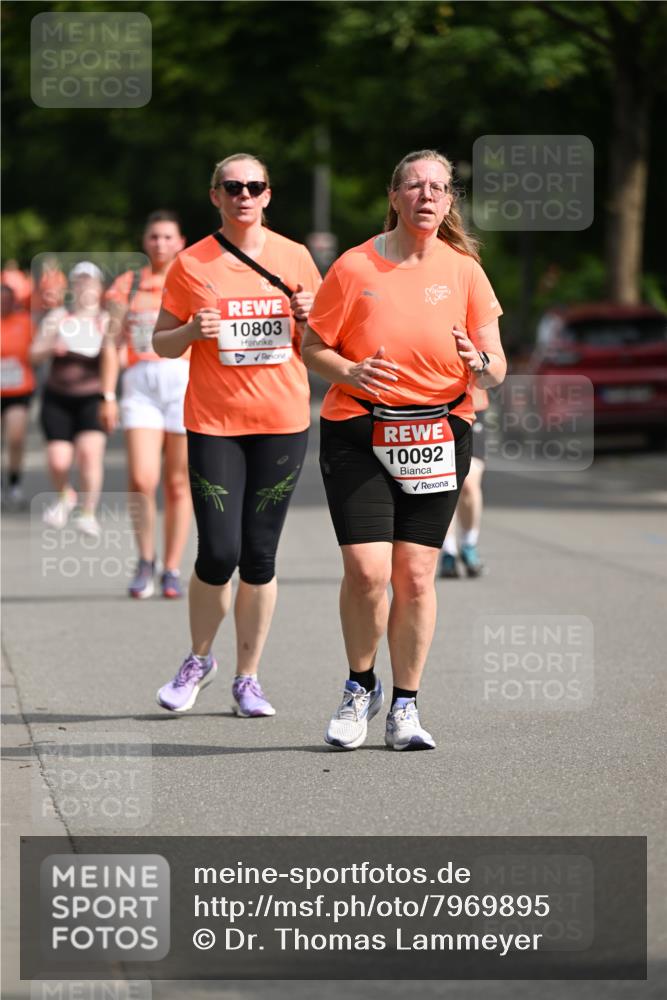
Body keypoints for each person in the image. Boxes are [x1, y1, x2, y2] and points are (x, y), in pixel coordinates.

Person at [302, 149, 507, 751]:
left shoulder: (465, 269)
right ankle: (359, 688)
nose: (426, 195)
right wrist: (350, 371)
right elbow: (314, 347)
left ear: (448, 203)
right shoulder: (354, 266)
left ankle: (406, 707)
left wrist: (481, 365)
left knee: (415, 575)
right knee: (368, 572)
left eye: (438, 188)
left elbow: (495, 367)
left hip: (439, 434)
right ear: (393, 197)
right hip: (360, 429)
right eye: (414, 186)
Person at [152, 153, 321, 717]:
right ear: (215, 196)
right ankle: (199, 660)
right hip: (214, 423)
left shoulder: (295, 257)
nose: (244, 194)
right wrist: (189, 330)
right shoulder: (190, 263)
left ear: (268, 195)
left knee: (259, 555)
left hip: (281, 423)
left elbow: (324, 342)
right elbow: (160, 343)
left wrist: (307, 316)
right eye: (233, 186)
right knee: (219, 551)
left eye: (255, 186)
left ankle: (248, 677)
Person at [100, 211, 191, 599]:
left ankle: (171, 567)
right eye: (153, 237)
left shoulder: (190, 281)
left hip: (183, 381)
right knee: (141, 478)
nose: (160, 244)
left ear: (181, 242)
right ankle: (145, 560)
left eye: (167, 237)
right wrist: (107, 395)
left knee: (177, 481)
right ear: (145, 242)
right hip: (140, 383)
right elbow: (111, 342)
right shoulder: (127, 284)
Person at [30, 261, 109, 536]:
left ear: (99, 287)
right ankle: (66, 495)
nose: (85, 285)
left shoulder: (106, 321)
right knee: (58, 461)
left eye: (91, 280)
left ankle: (88, 512)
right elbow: (33, 354)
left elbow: (119, 360)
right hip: (58, 397)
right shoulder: (58, 317)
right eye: (80, 280)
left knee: (89, 455)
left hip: (92, 398)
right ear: (72, 286)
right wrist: (53, 346)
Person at [439, 381, 490, 578]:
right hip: (432, 409)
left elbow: (494, 365)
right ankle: (448, 551)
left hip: (470, 407)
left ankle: (469, 544)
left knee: (469, 481)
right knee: (443, 483)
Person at [1, 284, 35, 509]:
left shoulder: (24, 322)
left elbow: (35, 351)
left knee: (15, 438)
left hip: (18, 390)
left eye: (6, 301)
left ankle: (14, 485)